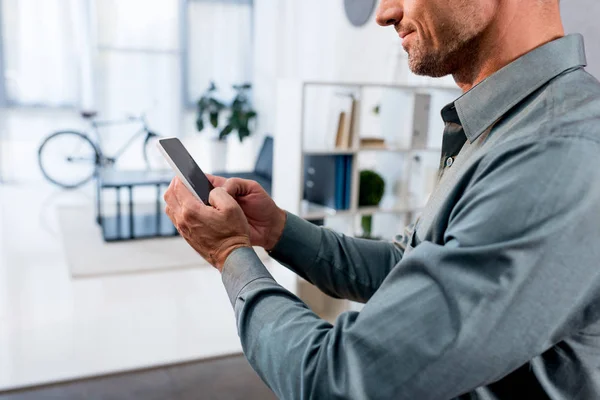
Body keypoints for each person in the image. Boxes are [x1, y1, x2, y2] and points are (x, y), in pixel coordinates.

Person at [164, 0, 600, 398]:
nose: (384, 12)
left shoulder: (557, 149)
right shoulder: (507, 126)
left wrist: (230, 254)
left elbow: (337, 382)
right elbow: (409, 266)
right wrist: (276, 230)